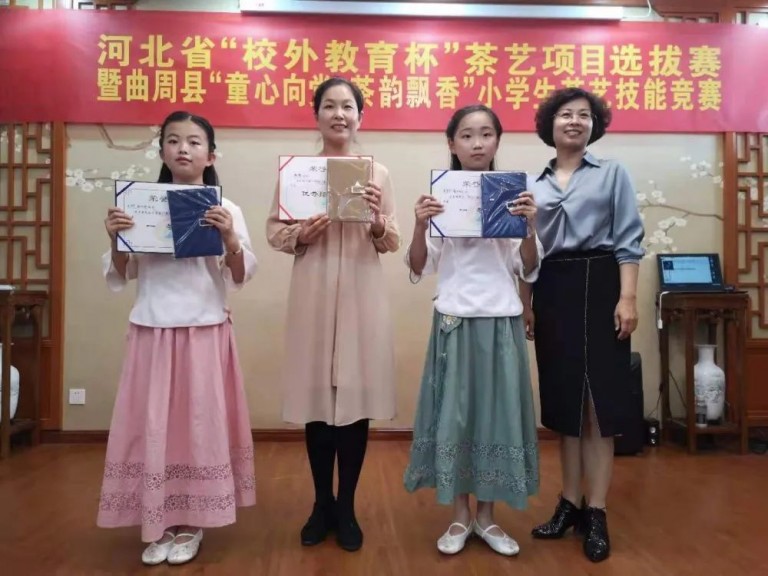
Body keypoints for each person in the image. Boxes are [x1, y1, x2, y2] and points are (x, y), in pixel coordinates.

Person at [98, 111, 257, 566]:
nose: (182, 148)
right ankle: (159, 520)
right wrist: (116, 239)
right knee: (152, 429)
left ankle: (193, 522)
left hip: (204, 331)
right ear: (162, 151)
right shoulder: (139, 205)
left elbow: (240, 274)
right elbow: (122, 273)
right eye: (172, 140)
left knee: (199, 427)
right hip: (151, 330)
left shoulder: (226, 209)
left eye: (193, 141)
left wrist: (230, 237)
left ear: (211, 155)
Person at [266, 77, 400, 552]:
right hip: (314, 292)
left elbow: (392, 239)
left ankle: (347, 507)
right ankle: (321, 503)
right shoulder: (297, 173)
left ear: (360, 117)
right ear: (316, 115)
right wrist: (300, 234)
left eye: (347, 107)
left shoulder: (377, 174)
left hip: (362, 293)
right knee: (318, 404)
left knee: (354, 404)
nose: (339, 114)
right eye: (329, 105)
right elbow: (274, 231)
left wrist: (378, 221)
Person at [403, 104, 542, 556]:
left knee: (495, 418)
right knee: (456, 418)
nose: (477, 143)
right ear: (452, 143)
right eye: (466, 135)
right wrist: (420, 223)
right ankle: (460, 516)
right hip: (454, 320)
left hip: (501, 320)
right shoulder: (442, 197)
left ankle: (487, 517)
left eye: (486, 134)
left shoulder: (513, 195)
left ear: (498, 140)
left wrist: (529, 226)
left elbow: (528, 267)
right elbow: (419, 266)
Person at [521, 88, 644, 563]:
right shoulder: (533, 184)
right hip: (553, 288)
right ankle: (569, 503)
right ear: (549, 125)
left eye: (584, 115)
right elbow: (526, 254)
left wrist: (627, 298)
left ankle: (597, 510)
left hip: (602, 282)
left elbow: (629, 239)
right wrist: (526, 304)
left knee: (598, 407)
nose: (574, 121)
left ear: (595, 125)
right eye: (565, 115)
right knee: (565, 405)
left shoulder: (612, 173)